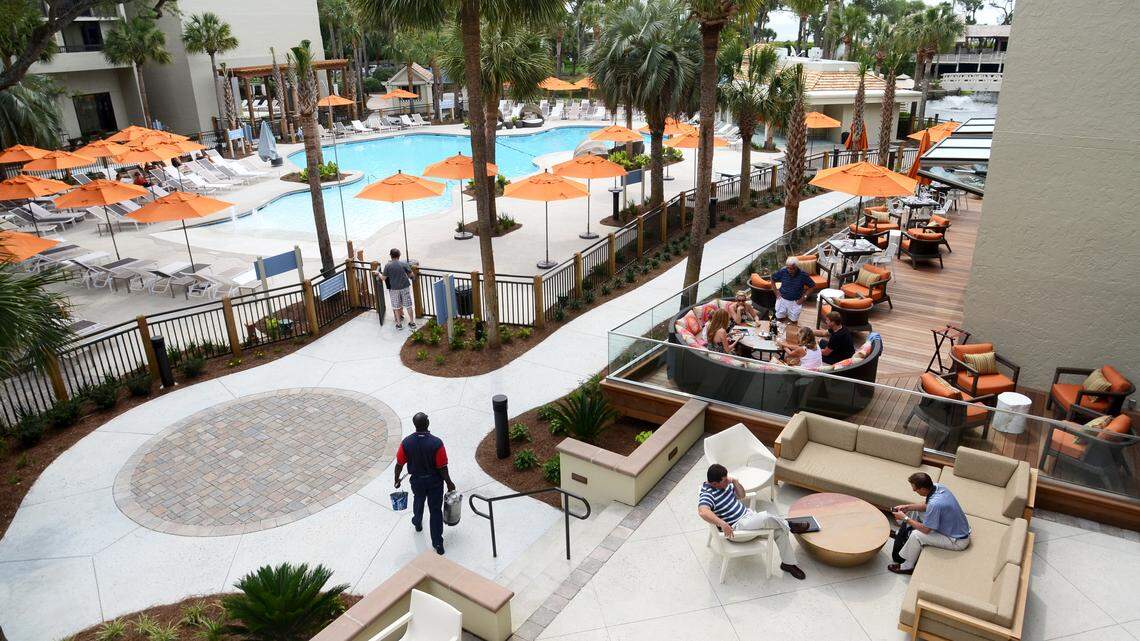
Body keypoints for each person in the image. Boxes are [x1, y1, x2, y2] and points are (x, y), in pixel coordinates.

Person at [697, 463, 808, 580]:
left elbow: (742, 495)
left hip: (748, 518)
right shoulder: (708, 494)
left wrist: (735, 482)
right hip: (737, 529)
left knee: (779, 530)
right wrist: (722, 524)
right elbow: (703, 512)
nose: (727, 481)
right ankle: (790, 525)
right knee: (765, 517)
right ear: (715, 484)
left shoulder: (724, 485)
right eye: (724, 480)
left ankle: (788, 564)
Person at [394, 412, 456, 555]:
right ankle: (437, 543)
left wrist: (396, 479)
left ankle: (417, 521)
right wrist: (449, 482)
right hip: (434, 482)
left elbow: (399, 464)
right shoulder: (436, 443)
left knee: (419, 499)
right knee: (435, 510)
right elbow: (442, 467)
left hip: (417, 481)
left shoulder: (406, 442)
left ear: (415, 425)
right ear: (427, 424)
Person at [888, 472, 971, 574]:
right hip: (956, 528)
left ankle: (907, 566)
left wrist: (905, 518)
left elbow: (926, 530)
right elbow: (926, 506)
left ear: (923, 488)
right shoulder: (938, 487)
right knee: (916, 509)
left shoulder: (935, 504)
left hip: (957, 540)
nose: (913, 490)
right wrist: (907, 507)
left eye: (915, 489)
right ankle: (902, 534)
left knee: (916, 536)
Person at [769, 257, 815, 325]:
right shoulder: (783, 271)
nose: (790, 270)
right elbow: (772, 278)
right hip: (782, 300)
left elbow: (812, 286)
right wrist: (776, 292)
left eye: (792, 268)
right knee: (779, 319)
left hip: (795, 302)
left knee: (793, 322)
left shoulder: (803, 275)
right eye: (788, 268)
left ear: (796, 267)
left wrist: (803, 298)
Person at [380, 248, 416, 329]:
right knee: (408, 305)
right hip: (405, 287)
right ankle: (412, 322)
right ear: (399, 255)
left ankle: (399, 324)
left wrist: (378, 274)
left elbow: (383, 278)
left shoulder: (388, 265)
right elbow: (411, 275)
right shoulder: (404, 264)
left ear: (391, 256)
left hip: (394, 289)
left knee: (396, 306)